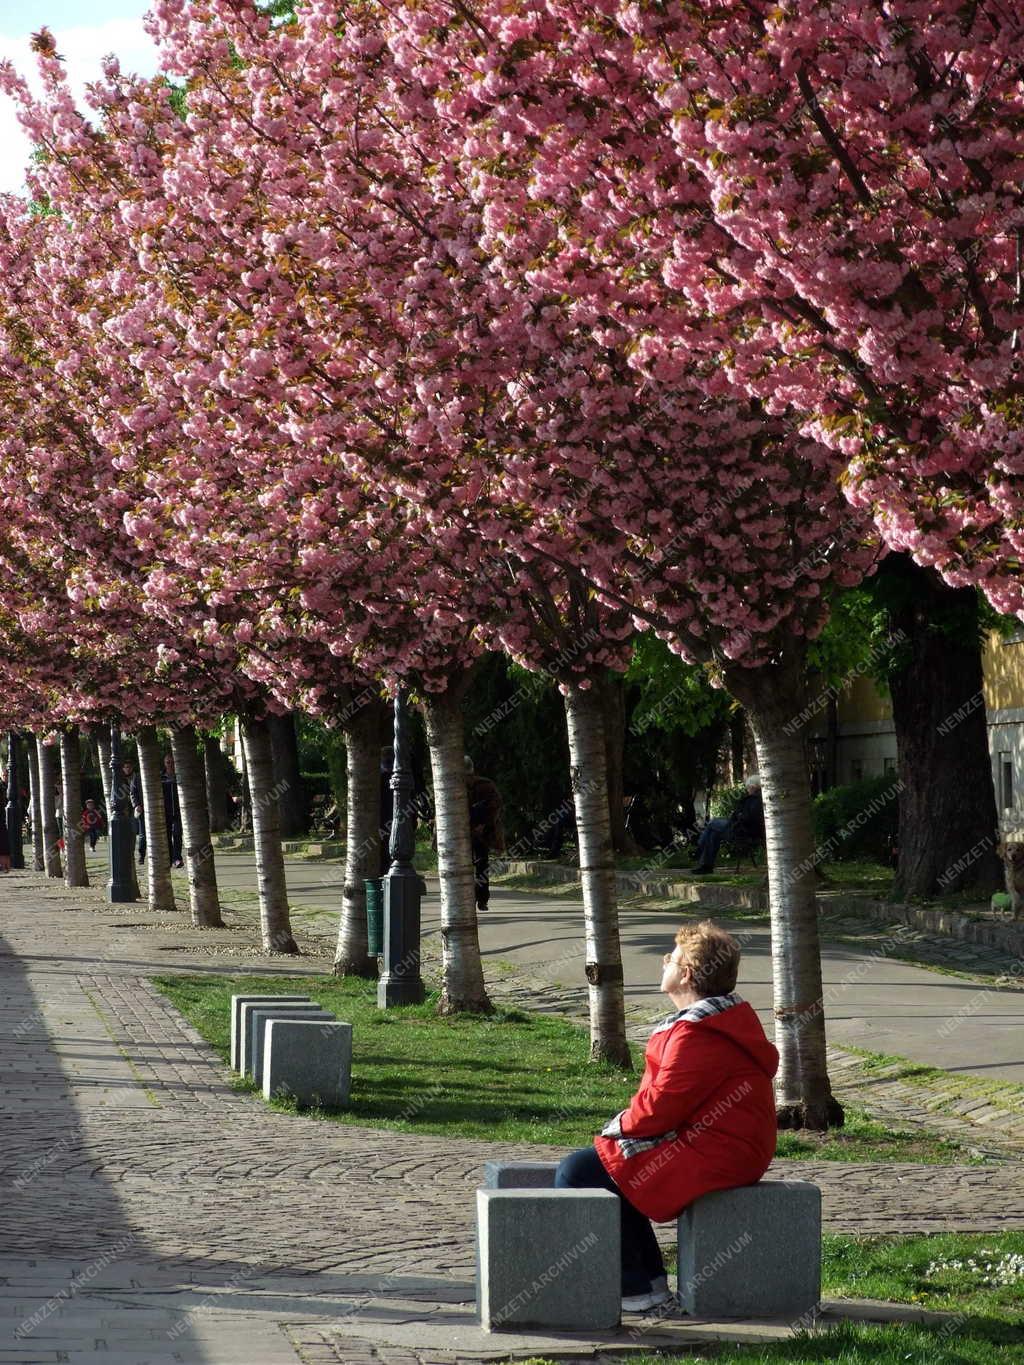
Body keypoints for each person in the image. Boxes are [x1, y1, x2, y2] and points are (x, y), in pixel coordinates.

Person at [555, 920, 779, 1312]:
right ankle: (648, 1283)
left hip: (721, 1150)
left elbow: (659, 1109)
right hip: (727, 1143)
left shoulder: (697, 1033)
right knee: (608, 1169)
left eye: (670, 959)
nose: (664, 964)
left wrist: (617, 1127)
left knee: (580, 1171)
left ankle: (631, 1288)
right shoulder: (720, 1019)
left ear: (687, 974)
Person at [692, 774, 764, 874]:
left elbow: (748, 818)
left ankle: (699, 850)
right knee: (713, 833)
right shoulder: (756, 799)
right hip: (740, 827)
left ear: (753, 786)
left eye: (748, 787)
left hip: (742, 830)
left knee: (713, 823)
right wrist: (737, 815)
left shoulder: (755, 800)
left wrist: (737, 815)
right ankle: (706, 866)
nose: (747, 789)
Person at [465, 756, 504, 911]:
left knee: (481, 865)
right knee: (474, 866)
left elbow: (496, 806)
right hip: (464, 832)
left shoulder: (484, 785)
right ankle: (475, 898)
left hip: (480, 833)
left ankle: (481, 898)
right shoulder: (454, 786)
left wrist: (484, 825)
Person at [161, 752, 184, 868]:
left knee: (177, 834)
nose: (170, 764)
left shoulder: (179, 776)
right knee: (168, 836)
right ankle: (170, 858)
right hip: (166, 812)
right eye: (168, 762)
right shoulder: (161, 778)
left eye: (172, 762)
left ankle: (177, 858)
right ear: (165, 764)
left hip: (179, 812)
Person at [125, 760, 145, 863]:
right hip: (129, 810)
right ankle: (133, 853)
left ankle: (141, 855)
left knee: (140, 832)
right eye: (125, 767)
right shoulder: (121, 780)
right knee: (133, 832)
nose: (127, 769)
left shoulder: (137, 777)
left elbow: (133, 793)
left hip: (138, 809)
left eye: (129, 767)